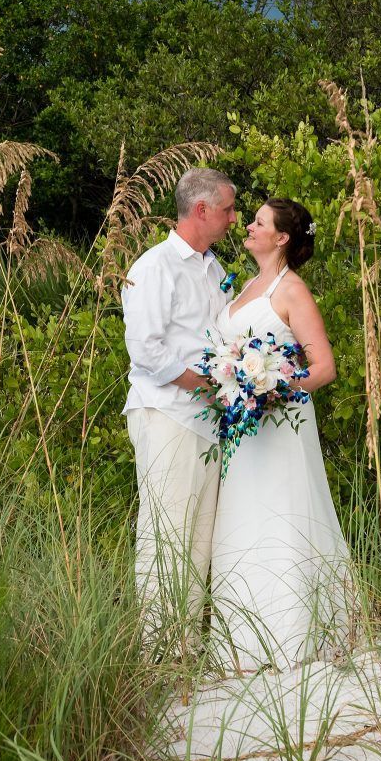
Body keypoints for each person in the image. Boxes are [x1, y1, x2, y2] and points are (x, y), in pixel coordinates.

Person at [209, 197, 351, 670]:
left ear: (282, 238)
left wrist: (274, 388)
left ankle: (294, 635)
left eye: (259, 222)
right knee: (244, 512)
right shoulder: (246, 285)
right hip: (243, 427)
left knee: (282, 511)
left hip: (279, 422)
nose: (248, 226)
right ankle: (242, 639)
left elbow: (324, 368)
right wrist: (234, 382)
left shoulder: (293, 292)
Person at [121, 167, 239, 642]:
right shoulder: (154, 266)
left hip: (208, 421)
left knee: (199, 537)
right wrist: (204, 387)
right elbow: (144, 349)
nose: (234, 218)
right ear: (201, 209)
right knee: (166, 530)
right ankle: (159, 650)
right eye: (228, 209)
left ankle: (185, 643)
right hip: (167, 411)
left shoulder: (214, 269)